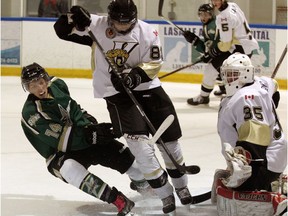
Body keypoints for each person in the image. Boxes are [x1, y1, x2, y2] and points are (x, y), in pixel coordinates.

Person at [54, 0, 193, 214]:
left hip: (149, 90)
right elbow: (62, 31)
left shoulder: (148, 32)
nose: (121, 27)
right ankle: (164, 192)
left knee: (170, 141)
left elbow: (154, 63)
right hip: (117, 95)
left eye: (126, 23)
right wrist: (69, 19)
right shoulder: (97, 26)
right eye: (117, 22)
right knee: (139, 146)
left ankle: (182, 186)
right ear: (110, 18)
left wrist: (132, 77)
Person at [21, 62, 153, 216]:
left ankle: (145, 186)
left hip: (81, 138)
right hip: (60, 154)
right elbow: (62, 141)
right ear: (27, 88)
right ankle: (116, 199)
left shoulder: (58, 84)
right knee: (69, 168)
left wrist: (91, 126)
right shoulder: (32, 114)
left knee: (126, 159)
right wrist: (90, 135)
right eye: (32, 86)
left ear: (46, 79)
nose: (39, 88)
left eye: (40, 82)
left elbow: (75, 110)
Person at [214, 53, 287, 215]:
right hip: (273, 155)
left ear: (246, 74)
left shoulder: (247, 96)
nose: (228, 78)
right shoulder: (260, 82)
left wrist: (247, 167)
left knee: (237, 187)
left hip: (265, 161)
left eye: (233, 74)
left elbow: (256, 137)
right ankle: (272, 181)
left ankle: (273, 198)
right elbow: (273, 84)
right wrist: (270, 105)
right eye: (226, 73)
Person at [183, 3, 231, 105]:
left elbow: (217, 45)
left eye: (206, 15)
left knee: (211, 69)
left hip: (227, 51)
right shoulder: (207, 25)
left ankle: (203, 97)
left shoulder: (213, 26)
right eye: (201, 14)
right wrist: (194, 40)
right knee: (218, 69)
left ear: (212, 14)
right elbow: (208, 46)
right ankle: (223, 88)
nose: (204, 17)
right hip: (224, 51)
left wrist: (198, 44)